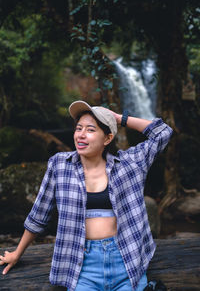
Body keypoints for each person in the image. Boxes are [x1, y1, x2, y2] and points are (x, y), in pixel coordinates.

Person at [0, 100, 173, 291]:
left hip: (126, 261)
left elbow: (162, 132)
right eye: (78, 128)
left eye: (90, 130)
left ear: (107, 139)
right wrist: (17, 252)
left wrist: (118, 118)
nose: (81, 135)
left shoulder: (129, 164)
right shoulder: (59, 165)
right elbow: (39, 214)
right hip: (82, 266)